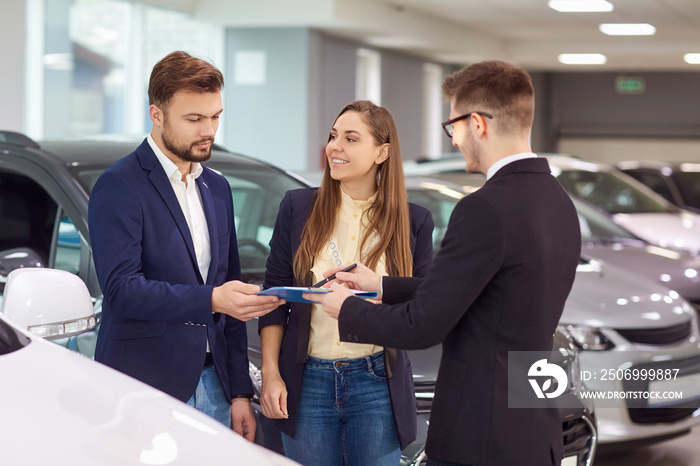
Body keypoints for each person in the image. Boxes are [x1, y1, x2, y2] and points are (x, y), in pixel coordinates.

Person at [310, 61, 582, 466]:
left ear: (477, 124)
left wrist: (344, 308)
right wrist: (384, 286)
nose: (453, 139)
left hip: (481, 436)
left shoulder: (484, 209)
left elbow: (422, 326)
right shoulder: (558, 201)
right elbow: (489, 293)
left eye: (452, 125)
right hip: (534, 425)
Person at [88, 51, 282, 439]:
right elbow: (122, 291)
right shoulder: (120, 185)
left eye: (215, 117)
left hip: (216, 389)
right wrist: (212, 300)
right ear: (156, 114)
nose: (208, 130)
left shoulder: (218, 187)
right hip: (143, 388)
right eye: (194, 119)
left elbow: (229, 284)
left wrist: (241, 392)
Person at [258, 100, 435, 465]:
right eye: (333, 136)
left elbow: (426, 304)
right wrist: (271, 375)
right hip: (307, 383)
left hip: (376, 383)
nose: (335, 146)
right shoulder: (297, 208)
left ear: (382, 152)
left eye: (351, 138)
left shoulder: (413, 222)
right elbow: (273, 299)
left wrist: (381, 285)